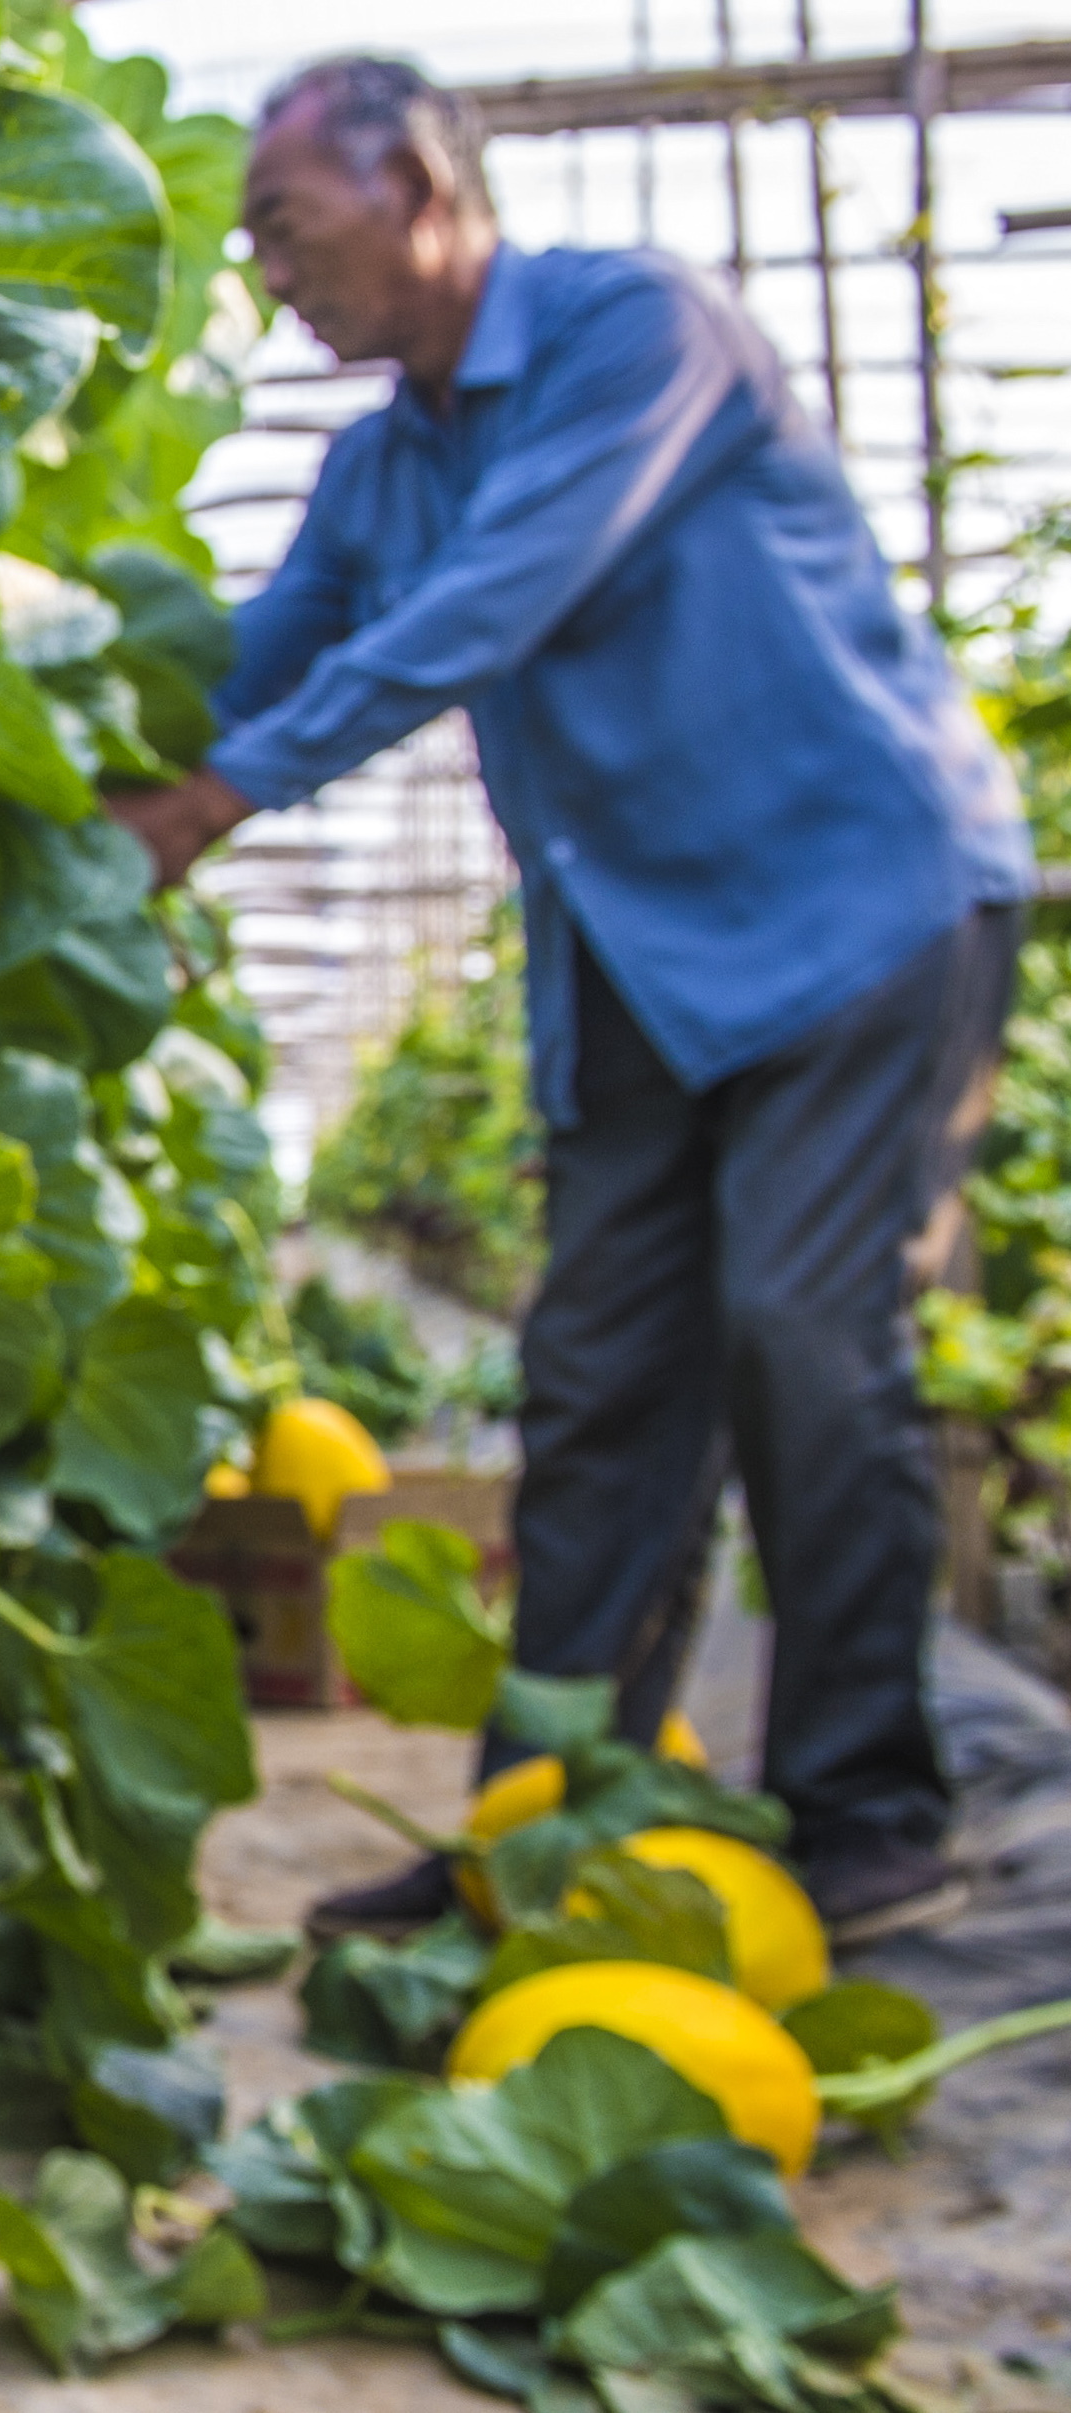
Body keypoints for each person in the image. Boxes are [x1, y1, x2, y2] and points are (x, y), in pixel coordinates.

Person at [113, 57, 1032, 1943]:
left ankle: (865, 1808)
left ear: (420, 182)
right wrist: (59, 756)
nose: (262, 266)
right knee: (597, 1380)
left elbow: (487, 607)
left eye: (282, 219)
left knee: (796, 1325)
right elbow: (245, 657)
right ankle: (542, 1823)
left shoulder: (636, 335)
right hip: (634, 960)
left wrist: (218, 802)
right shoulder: (379, 465)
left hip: (851, 901)